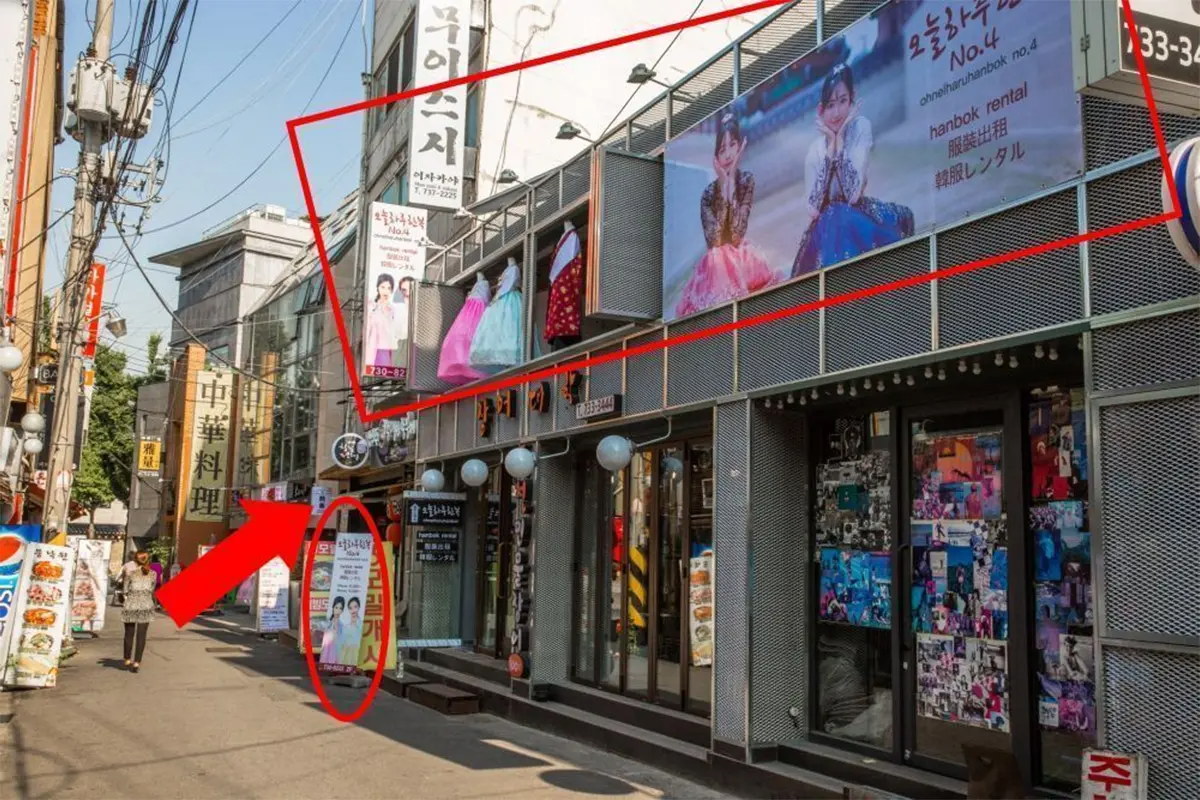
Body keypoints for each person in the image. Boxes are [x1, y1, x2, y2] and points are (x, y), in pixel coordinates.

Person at [791, 64, 914, 277]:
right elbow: (813, 208)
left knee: (841, 216)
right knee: (833, 216)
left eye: (842, 102)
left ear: (852, 99)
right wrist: (832, 146)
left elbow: (853, 193)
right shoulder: (815, 149)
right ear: (821, 110)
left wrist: (840, 145)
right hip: (825, 230)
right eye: (830, 105)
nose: (836, 113)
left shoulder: (861, 128)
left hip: (857, 215)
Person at [675, 112, 775, 318]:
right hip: (716, 266)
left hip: (744, 257)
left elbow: (737, 233)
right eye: (722, 149)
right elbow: (715, 240)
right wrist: (725, 186)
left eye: (732, 146)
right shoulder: (707, 194)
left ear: (740, 147)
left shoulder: (747, 180)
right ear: (716, 157)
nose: (728, 155)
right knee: (718, 257)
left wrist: (731, 187)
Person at [121, 550, 157, 672]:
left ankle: (127, 659)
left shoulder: (130, 574)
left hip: (131, 604)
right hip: (146, 605)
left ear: (135, 561)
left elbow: (125, 590)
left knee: (129, 634)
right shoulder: (153, 574)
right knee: (142, 635)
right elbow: (151, 589)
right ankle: (137, 662)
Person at [365, 273, 398, 370]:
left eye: (389, 288)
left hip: (385, 348)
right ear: (377, 287)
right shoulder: (371, 305)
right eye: (383, 287)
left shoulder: (392, 309)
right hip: (371, 347)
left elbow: (394, 332)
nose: (386, 291)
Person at [318, 596, 345, 667]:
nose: (338, 610)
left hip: (335, 648)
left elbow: (341, 638)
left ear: (342, 610)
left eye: (340, 608)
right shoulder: (329, 621)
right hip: (327, 647)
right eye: (336, 607)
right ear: (333, 608)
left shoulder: (341, 624)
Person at [337, 596, 364, 667]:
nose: (353, 610)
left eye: (355, 607)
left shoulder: (362, 625)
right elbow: (340, 643)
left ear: (359, 607)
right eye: (350, 608)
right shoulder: (345, 627)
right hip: (345, 656)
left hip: (358, 656)